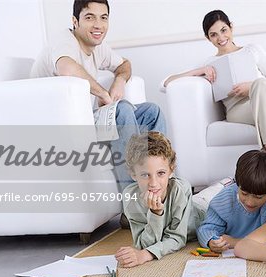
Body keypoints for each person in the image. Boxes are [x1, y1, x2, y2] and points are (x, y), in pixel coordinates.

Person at [30, 0, 166, 195]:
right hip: (60, 128)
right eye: (89, 17)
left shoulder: (96, 46)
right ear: (75, 21)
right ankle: (132, 203)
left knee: (152, 112)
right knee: (122, 111)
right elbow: (66, 67)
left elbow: (124, 64)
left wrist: (119, 80)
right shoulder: (64, 41)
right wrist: (103, 93)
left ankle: (160, 189)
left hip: (85, 121)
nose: (98, 25)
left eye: (103, 18)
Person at [164, 10, 266, 189]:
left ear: (231, 27)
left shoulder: (252, 50)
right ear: (207, 38)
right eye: (213, 34)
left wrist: (251, 87)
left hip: (265, 100)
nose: (220, 37)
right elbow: (166, 83)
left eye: (224, 30)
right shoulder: (210, 62)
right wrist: (199, 71)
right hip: (238, 110)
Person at [115, 132, 205, 267]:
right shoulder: (130, 197)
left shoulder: (181, 189)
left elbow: (177, 238)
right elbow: (143, 244)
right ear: (133, 174)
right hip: (192, 203)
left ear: (171, 170)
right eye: (145, 175)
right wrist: (155, 213)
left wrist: (146, 255)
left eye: (161, 173)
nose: (153, 183)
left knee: (216, 196)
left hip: (202, 212)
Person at [196, 150, 266, 253]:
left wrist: (235, 242)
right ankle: (224, 182)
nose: (249, 202)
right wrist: (211, 240)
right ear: (238, 184)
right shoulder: (225, 198)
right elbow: (206, 228)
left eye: (258, 197)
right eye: (244, 193)